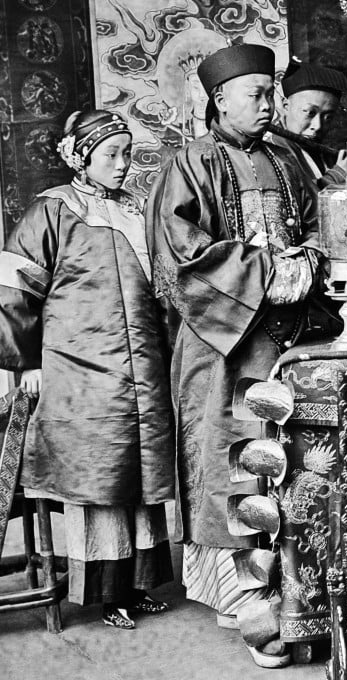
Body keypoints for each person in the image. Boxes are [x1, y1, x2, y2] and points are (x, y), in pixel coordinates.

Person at [145, 43, 320, 668]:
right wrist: (267, 273)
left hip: (287, 337)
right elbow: (181, 254)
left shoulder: (288, 158)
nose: (272, 104)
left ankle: (296, 596)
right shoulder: (188, 165)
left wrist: (312, 263)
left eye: (274, 92)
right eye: (259, 94)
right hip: (220, 344)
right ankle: (248, 606)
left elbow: (320, 230)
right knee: (230, 461)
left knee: (296, 464)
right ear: (220, 99)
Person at [0, 109, 175, 629]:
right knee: (99, 478)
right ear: (80, 157)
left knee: (139, 479)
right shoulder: (51, 211)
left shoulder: (135, 213)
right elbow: (13, 291)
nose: (122, 165)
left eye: (127, 154)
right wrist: (27, 361)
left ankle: (139, 584)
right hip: (78, 372)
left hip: (141, 370)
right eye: (110, 155)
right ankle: (104, 593)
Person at [267, 58, 347, 189]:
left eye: (328, 117)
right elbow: (297, 200)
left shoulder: (322, 153)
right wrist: (338, 174)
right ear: (286, 106)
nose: (317, 126)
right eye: (310, 113)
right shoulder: (270, 152)